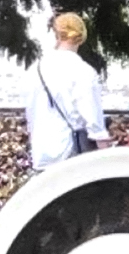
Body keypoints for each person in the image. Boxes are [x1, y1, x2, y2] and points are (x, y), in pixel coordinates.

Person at [26, 13, 112, 170]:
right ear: (82, 37)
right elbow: (92, 118)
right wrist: (106, 155)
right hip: (70, 153)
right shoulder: (83, 71)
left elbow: (31, 112)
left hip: (41, 153)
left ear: (57, 34)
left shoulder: (34, 69)